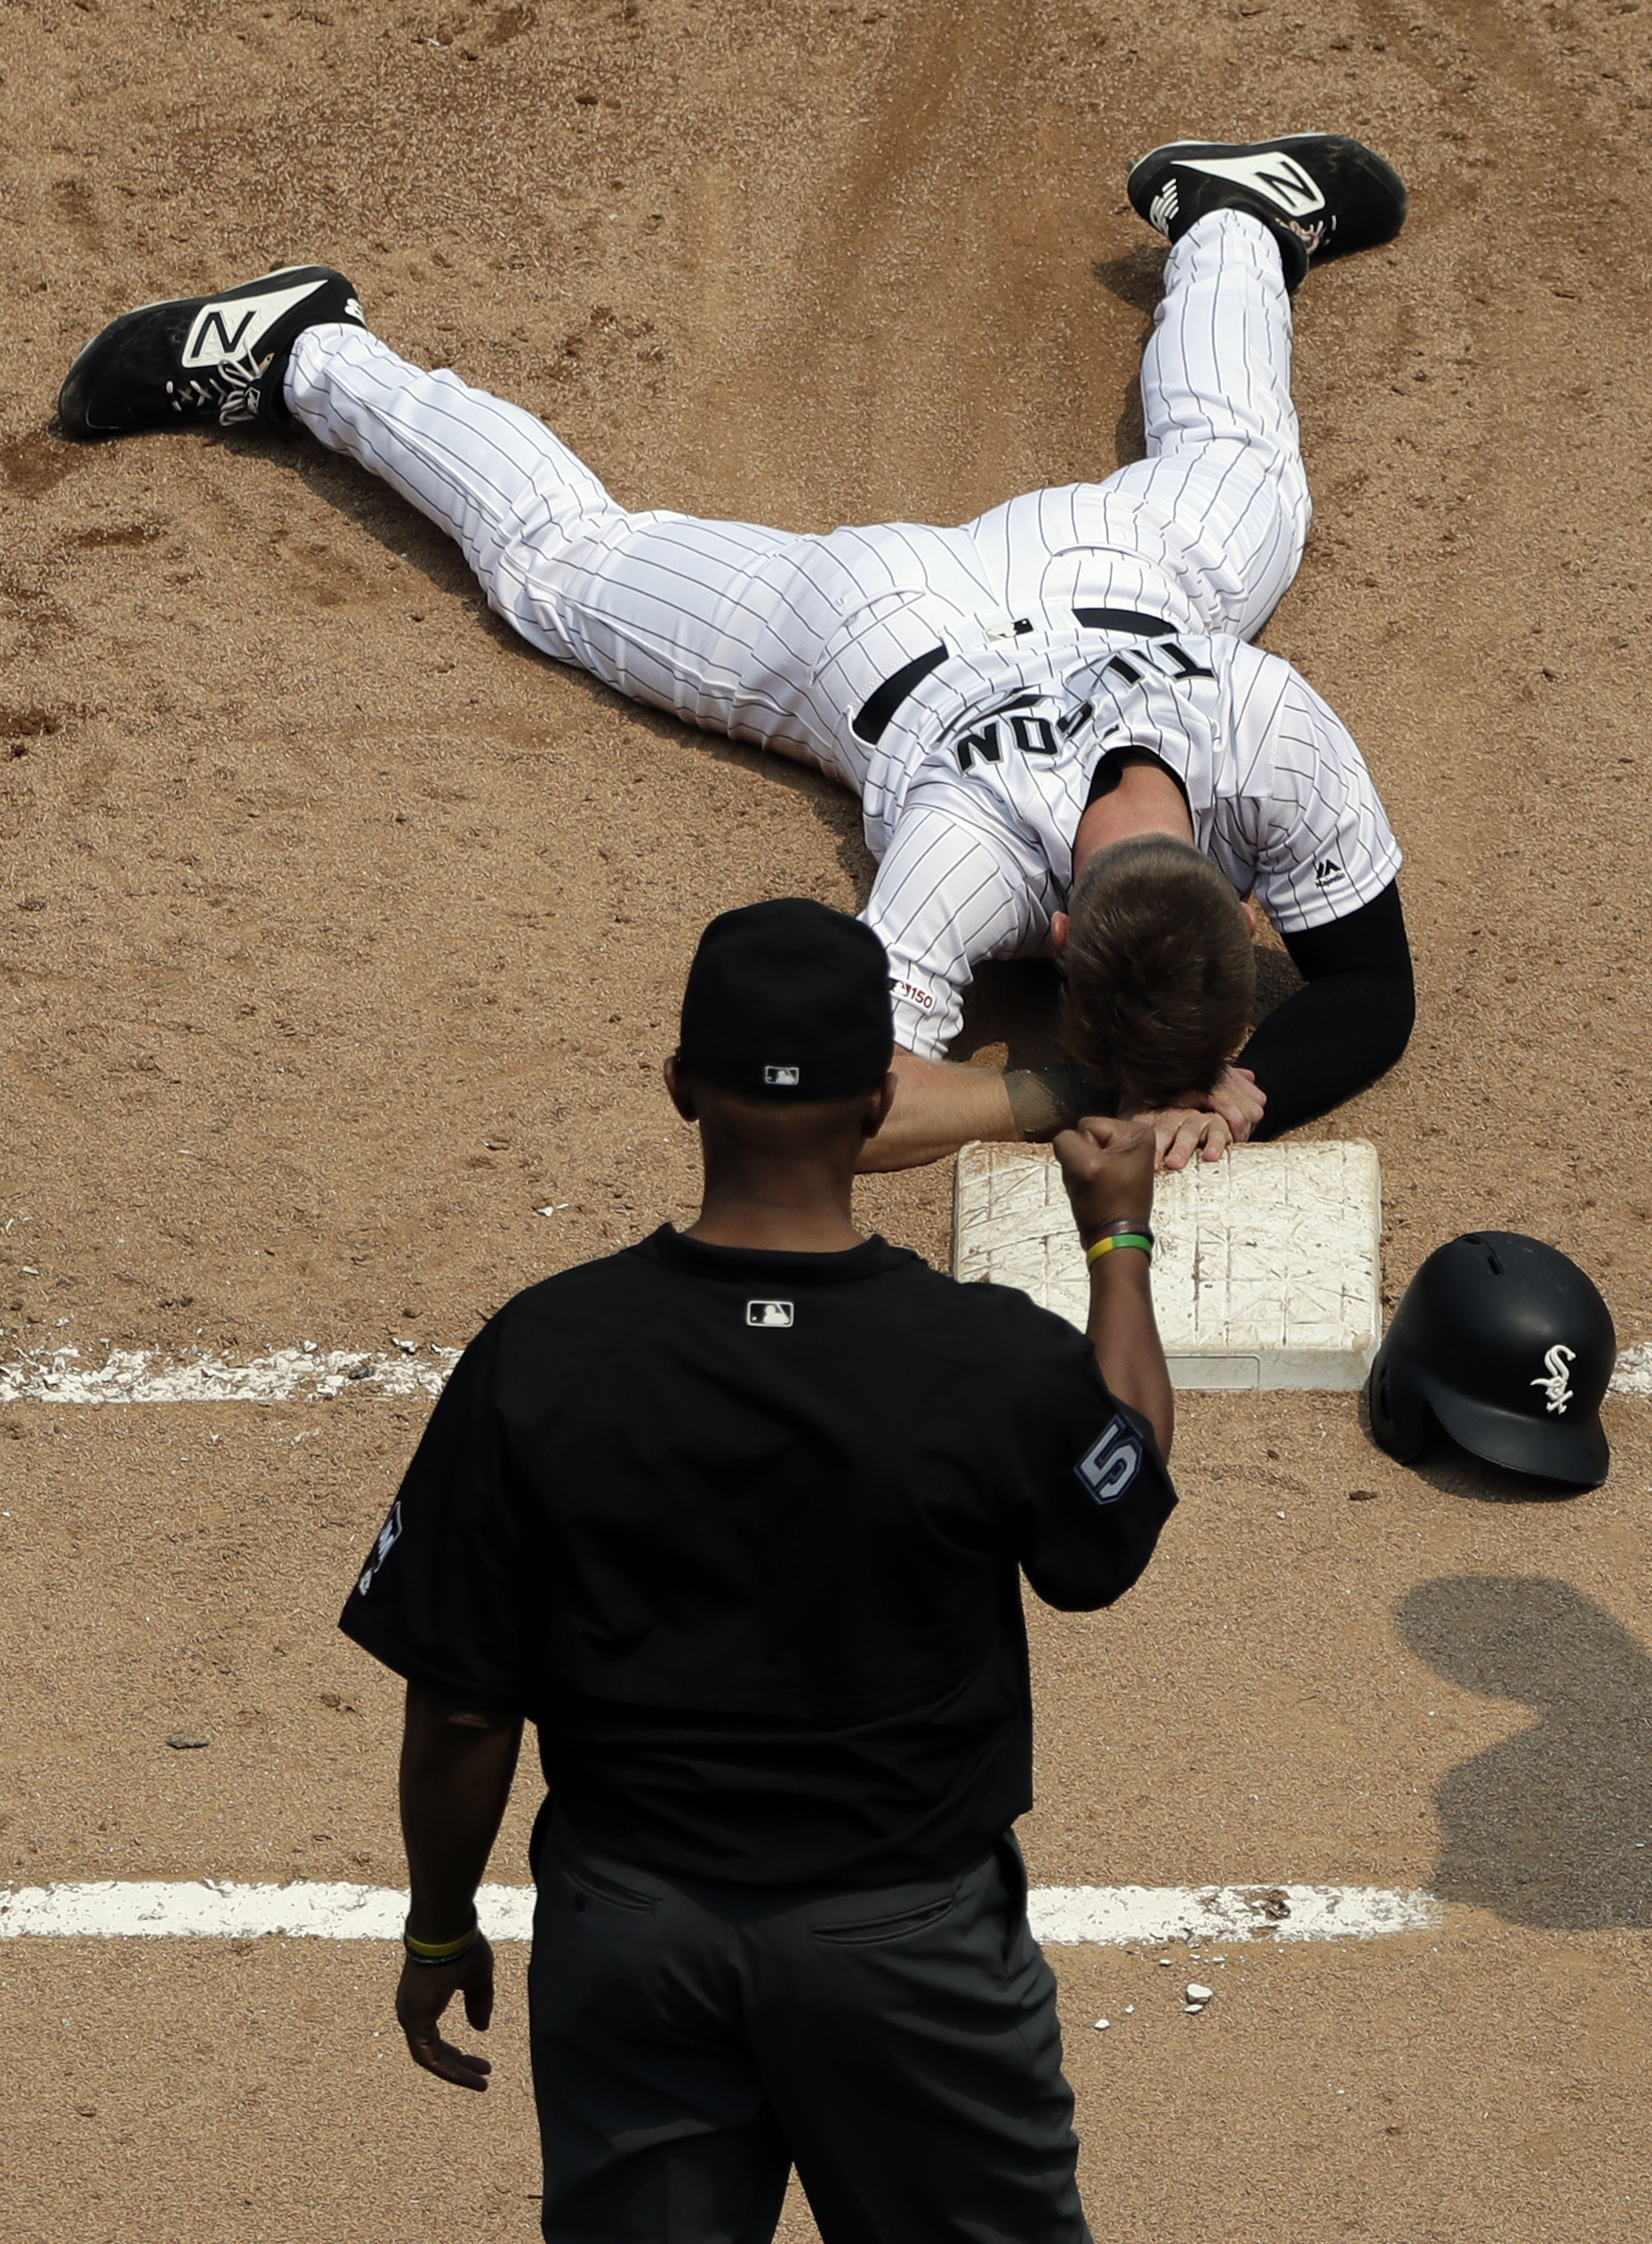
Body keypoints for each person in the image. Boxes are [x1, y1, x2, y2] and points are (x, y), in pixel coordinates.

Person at [58, 131, 1415, 1173]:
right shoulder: (1121, 793)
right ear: (1252, 913)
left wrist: (1227, 1085)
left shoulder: (1248, 727)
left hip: (1035, 576)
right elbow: (848, 1109)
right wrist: (1073, 1092)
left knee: (1239, 475)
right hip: (908, 616)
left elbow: (1366, 983)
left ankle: (1237, 212)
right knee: (564, 572)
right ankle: (307, 353)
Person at [337, 895, 1178, 2244]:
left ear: (680, 1088)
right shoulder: (989, 1360)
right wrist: (1118, 1244)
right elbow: (1113, 1519)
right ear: (882, 1100)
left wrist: (440, 1924)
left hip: (635, 1939)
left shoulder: (543, 1354)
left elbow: (464, 1709)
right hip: (912, 1953)